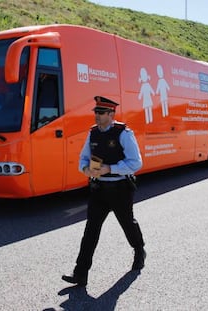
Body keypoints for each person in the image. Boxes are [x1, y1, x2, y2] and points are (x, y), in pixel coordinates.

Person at [62, 96, 146, 286]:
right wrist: (85, 169)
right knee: (90, 231)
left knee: (127, 224)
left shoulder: (123, 133)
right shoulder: (92, 133)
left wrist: (110, 168)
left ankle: (139, 250)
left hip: (120, 189)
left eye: (101, 113)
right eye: (96, 113)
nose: (97, 116)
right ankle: (80, 273)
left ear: (111, 114)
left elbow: (136, 163)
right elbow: (83, 159)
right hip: (98, 189)